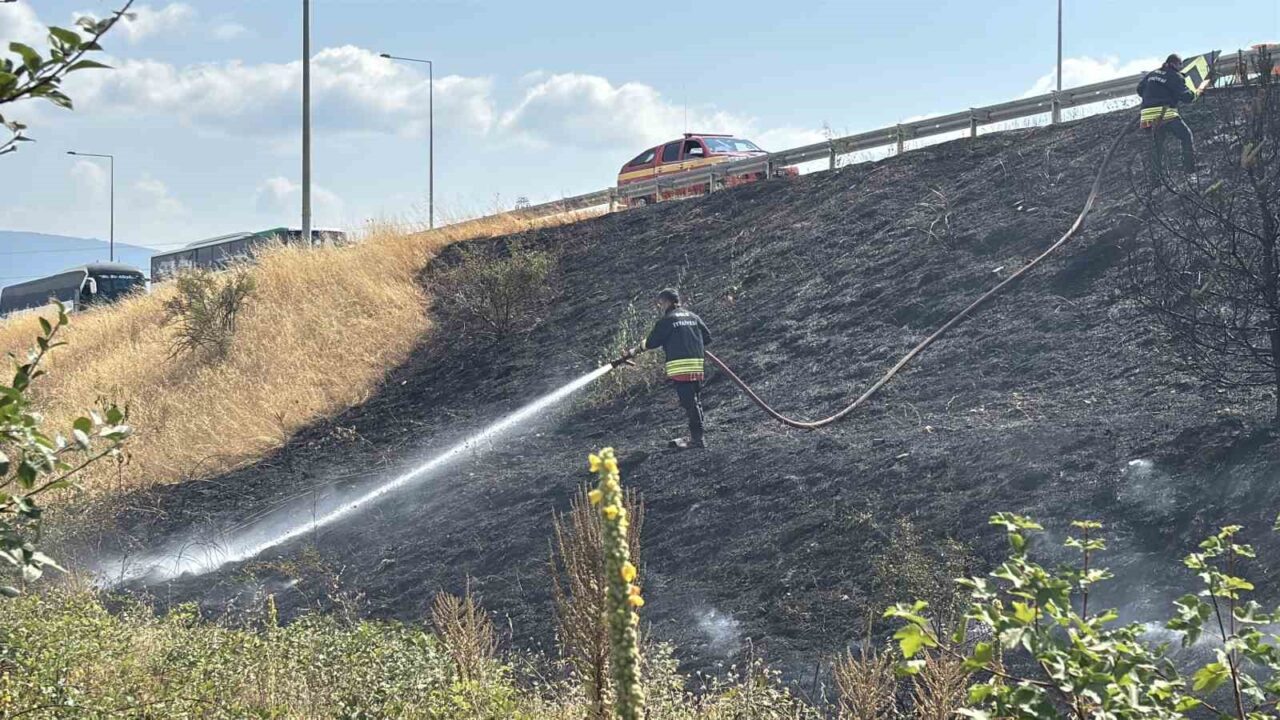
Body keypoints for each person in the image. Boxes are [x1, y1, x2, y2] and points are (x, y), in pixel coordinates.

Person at [621, 288, 713, 449]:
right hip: (697, 367)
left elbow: (651, 342)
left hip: (680, 369)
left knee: (690, 403)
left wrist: (634, 351)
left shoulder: (667, 320)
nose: (660, 306)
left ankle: (697, 440)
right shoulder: (693, 317)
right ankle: (697, 436)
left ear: (666, 302)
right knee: (695, 401)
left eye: (661, 303)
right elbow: (707, 338)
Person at [1138, 54, 1199, 174]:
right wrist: (1194, 94)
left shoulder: (1152, 74)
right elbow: (1186, 97)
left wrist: (1153, 96)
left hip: (1146, 116)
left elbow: (1139, 89)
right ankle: (1190, 170)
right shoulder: (1175, 76)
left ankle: (1156, 179)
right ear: (1174, 64)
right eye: (1180, 64)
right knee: (1186, 136)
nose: (1181, 67)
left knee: (1157, 146)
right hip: (1165, 114)